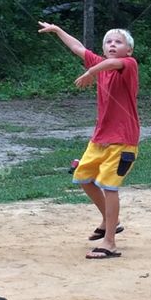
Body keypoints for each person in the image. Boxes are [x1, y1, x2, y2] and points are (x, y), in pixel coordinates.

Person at [37, 21, 140, 259]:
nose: (112, 44)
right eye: (108, 42)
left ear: (129, 50)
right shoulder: (100, 63)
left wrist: (90, 72)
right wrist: (57, 30)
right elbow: (78, 48)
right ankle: (109, 220)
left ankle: (110, 242)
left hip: (123, 139)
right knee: (83, 177)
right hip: (100, 138)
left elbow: (113, 64)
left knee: (109, 186)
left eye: (118, 42)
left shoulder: (128, 64)